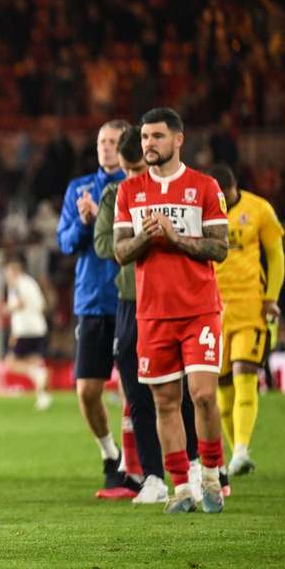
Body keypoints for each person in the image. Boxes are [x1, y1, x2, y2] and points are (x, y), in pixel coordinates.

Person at [114, 107, 228, 514]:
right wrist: (147, 237)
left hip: (199, 309)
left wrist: (177, 238)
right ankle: (180, 486)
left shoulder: (204, 186)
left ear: (178, 140)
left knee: (202, 395)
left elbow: (220, 247)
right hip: (152, 312)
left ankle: (212, 472)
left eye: (157, 137)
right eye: (145, 137)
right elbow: (120, 252)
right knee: (164, 401)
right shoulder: (130, 192)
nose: (149, 144)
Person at [95, 126, 203, 504]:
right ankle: (152, 476)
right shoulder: (117, 194)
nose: (131, 177)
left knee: (182, 388)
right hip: (131, 300)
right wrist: (145, 236)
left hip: (173, 300)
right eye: (126, 169)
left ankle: (193, 464)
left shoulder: (178, 190)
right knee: (136, 390)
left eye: (136, 168)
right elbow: (106, 244)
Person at [57, 118, 135, 496]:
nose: (105, 147)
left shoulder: (137, 186)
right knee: (88, 389)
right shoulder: (79, 189)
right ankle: (109, 454)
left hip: (132, 297)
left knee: (137, 387)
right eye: (101, 141)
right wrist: (86, 222)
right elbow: (66, 243)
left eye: (113, 141)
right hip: (91, 300)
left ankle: (136, 465)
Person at [209, 164, 285, 477]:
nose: (222, 203)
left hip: (250, 308)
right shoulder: (202, 211)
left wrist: (271, 298)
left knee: (245, 373)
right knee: (222, 392)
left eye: (226, 197)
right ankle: (236, 453)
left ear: (234, 188)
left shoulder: (259, 209)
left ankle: (241, 448)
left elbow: (276, 254)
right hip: (213, 311)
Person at [1, 257, 51, 412]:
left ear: (15, 271)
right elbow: (42, 305)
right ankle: (42, 397)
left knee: (11, 362)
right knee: (34, 362)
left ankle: (35, 374)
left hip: (25, 331)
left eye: (8, 272)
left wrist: (7, 308)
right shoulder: (31, 282)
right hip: (39, 328)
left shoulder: (18, 284)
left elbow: (20, 303)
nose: (6, 276)